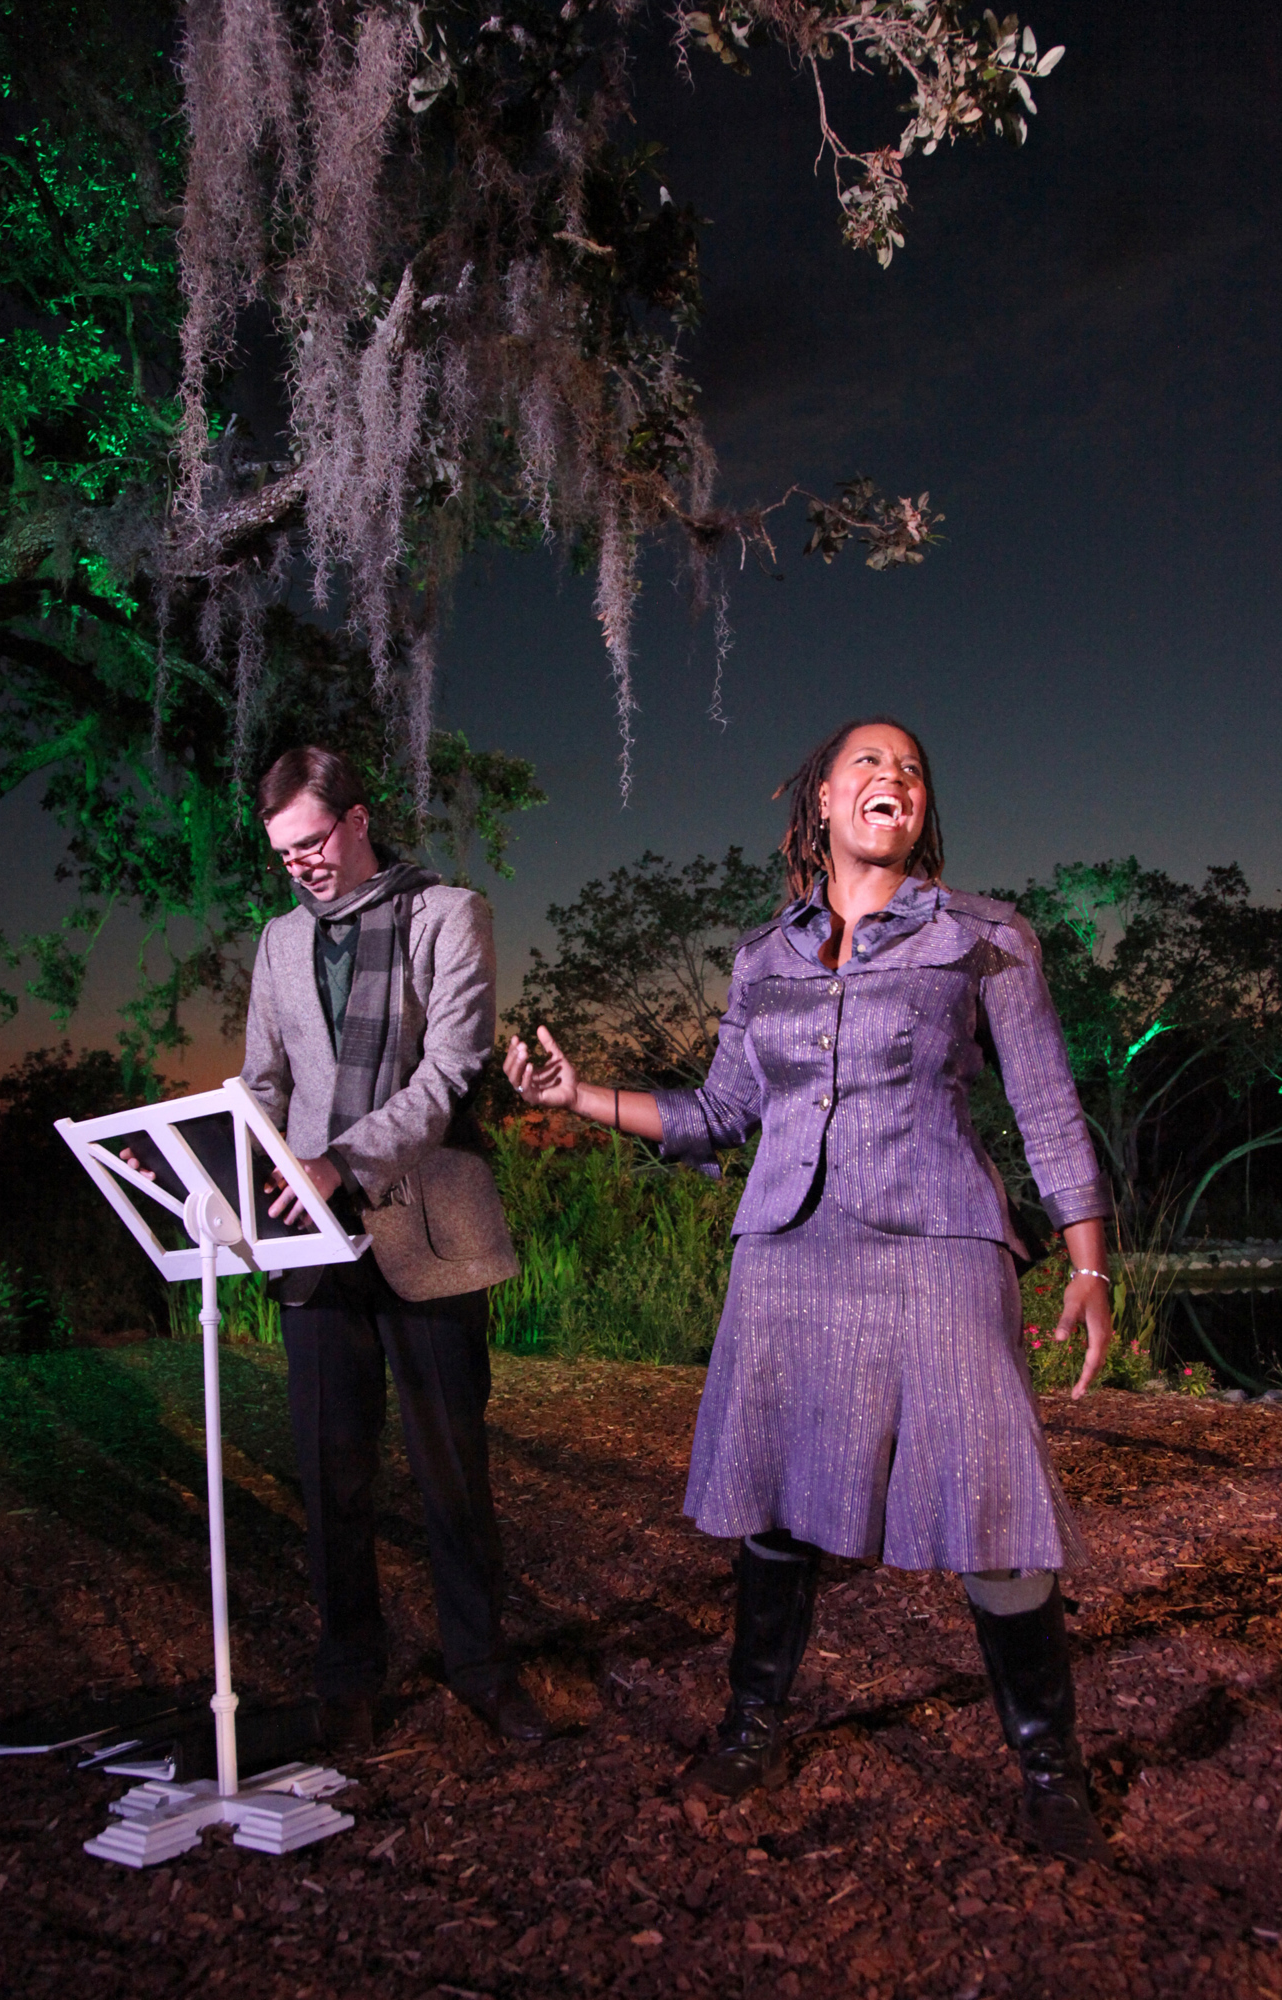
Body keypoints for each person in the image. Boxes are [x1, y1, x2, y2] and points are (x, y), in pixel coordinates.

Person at [504, 715, 1114, 1863]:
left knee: (990, 1502)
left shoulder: (985, 938)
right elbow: (716, 1116)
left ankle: (1046, 1767)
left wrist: (1083, 1259)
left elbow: (1041, 1104)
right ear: (822, 806)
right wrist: (577, 1094)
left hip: (936, 1239)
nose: (894, 777)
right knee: (774, 1506)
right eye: (867, 765)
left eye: (912, 769)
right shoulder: (760, 958)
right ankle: (749, 1726)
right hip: (785, 1251)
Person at [238, 746, 549, 1753]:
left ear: (357, 818)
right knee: (331, 1473)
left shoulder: (447, 914)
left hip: (428, 1222)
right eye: (282, 852)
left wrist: (344, 1160)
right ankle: (347, 1672)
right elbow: (263, 1079)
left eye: (312, 842)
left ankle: (479, 1664)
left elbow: (454, 1063)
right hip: (313, 1241)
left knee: (451, 1468)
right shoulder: (279, 941)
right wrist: (232, 1170)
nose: (299, 865)